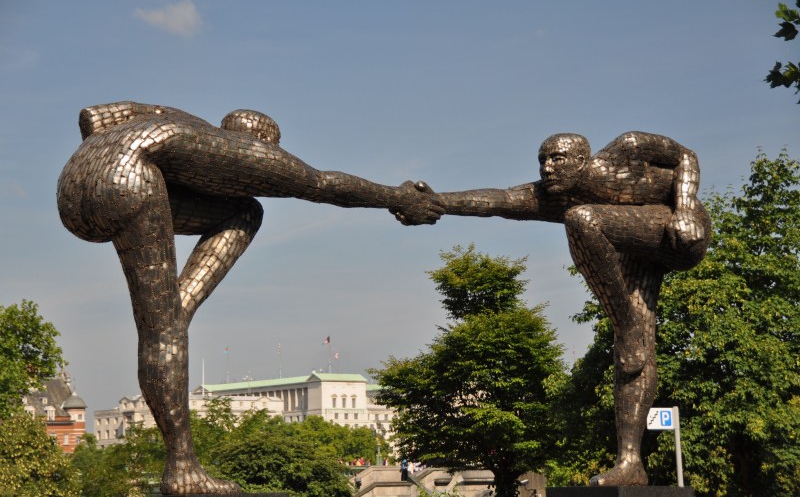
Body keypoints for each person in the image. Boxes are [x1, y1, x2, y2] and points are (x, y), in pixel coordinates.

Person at [57, 101, 444, 495]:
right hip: (127, 182)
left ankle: (179, 308)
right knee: (163, 332)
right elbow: (322, 184)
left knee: (243, 212)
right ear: (263, 141)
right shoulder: (245, 150)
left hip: (73, 193)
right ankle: (183, 469)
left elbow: (92, 116)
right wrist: (397, 198)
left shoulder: (183, 125)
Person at [401, 132, 710, 486]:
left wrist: (685, 207)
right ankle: (630, 461)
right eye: (542, 160)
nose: (547, 168)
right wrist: (439, 201)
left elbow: (686, 156)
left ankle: (626, 327)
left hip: (681, 231)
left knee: (581, 219)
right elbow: (499, 200)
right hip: (633, 245)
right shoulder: (552, 196)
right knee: (633, 358)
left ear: (582, 160)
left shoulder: (628, 149)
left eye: (556, 159)